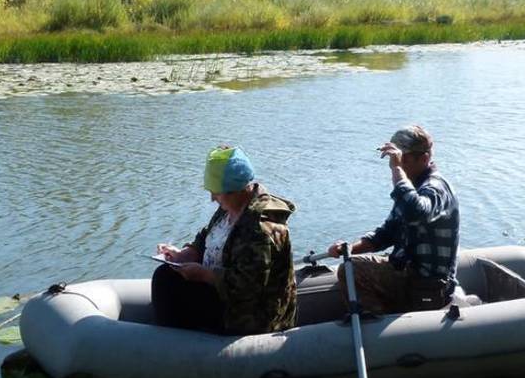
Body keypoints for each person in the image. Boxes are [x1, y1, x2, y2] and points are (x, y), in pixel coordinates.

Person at [152, 146, 297, 335]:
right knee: (166, 275)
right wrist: (187, 253)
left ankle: (174, 349)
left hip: (250, 315)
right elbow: (207, 236)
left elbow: (248, 289)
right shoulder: (230, 207)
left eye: (216, 192)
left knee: (166, 283)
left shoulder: (260, 230)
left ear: (236, 190)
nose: (212, 198)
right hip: (222, 297)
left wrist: (206, 275)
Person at [327, 124, 460, 315]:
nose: (398, 164)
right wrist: (347, 249)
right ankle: (383, 320)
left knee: (354, 271)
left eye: (403, 159)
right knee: (349, 266)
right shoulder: (411, 189)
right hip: (405, 274)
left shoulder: (436, 189)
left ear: (424, 158)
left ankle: (377, 327)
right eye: (396, 159)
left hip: (428, 284)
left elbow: (416, 211)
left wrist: (397, 170)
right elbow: (385, 234)